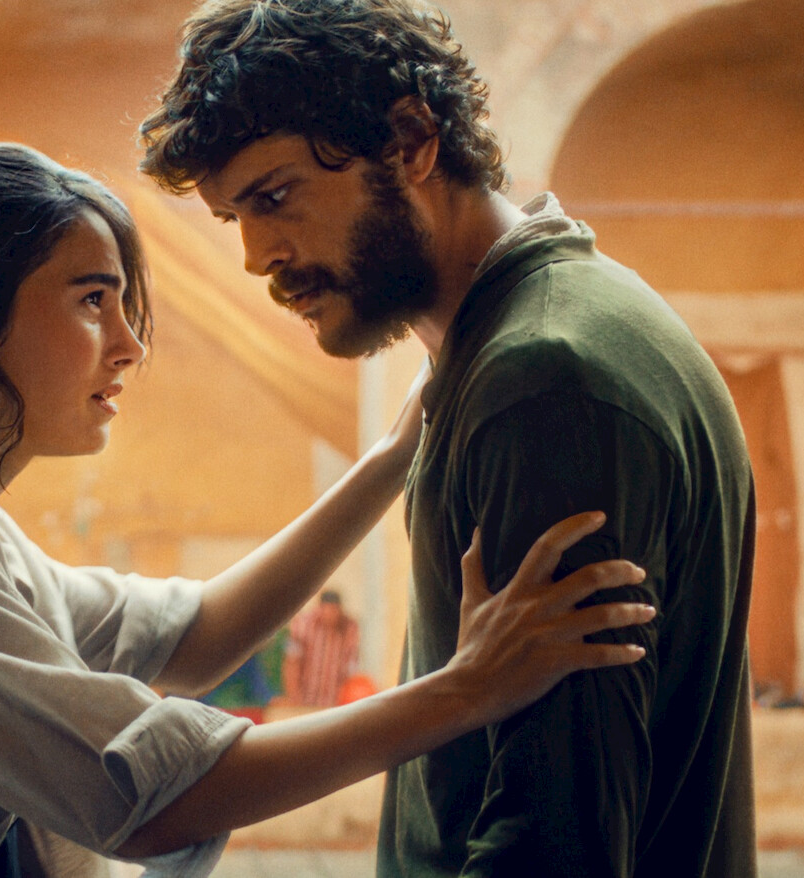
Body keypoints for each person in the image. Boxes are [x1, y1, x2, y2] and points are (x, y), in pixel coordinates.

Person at [0, 143, 653, 876]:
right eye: (91, 301)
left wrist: (392, 460)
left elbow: (191, 637)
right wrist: (468, 690)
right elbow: (140, 797)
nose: (128, 346)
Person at [139, 2, 758, 875]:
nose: (256, 255)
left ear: (412, 143)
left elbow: (554, 846)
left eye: (274, 197)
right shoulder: (547, 333)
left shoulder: (543, 383)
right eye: (233, 217)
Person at [283, 590, 359, 708]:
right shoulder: (303, 625)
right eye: (327, 609)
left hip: (334, 703)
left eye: (334, 610)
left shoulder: (349, 628)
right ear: (320, 608)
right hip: (305, 699)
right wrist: (293, 696)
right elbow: (292, 662)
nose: (330, 615)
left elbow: (351, 666)